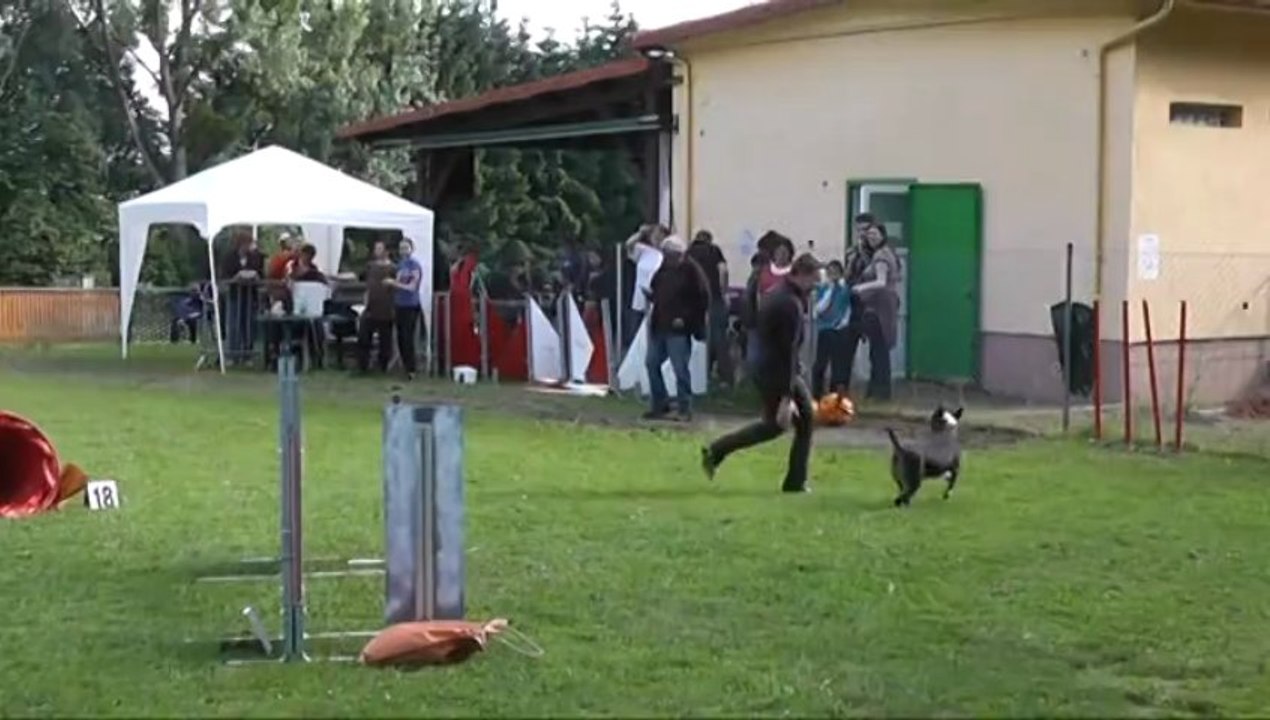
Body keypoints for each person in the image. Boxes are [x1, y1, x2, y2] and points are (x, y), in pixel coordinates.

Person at [701, 253, 821, 494]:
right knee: (797, 421)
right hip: (777, 370)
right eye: (814, 280)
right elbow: (786, 349)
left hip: (767, 367)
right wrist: (787, 396)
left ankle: (718, 451)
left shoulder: (781, 294)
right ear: (802, 275)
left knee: (779, 425)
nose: (815, 286)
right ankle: (794, 482)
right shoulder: (790, 304)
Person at [644, 235, 710, 422]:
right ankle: (660, 404)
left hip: (679, 328)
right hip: (660, 325)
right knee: (651, 363)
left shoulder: (692, 271)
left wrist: (687, 319)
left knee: (680, 368)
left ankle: (685, 407)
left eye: (669, 254)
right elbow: (656, 288)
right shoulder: (664, 270)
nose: (665, 258)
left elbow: (702, 299)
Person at [843, 223, 901, 401]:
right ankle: (878, 390)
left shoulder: (882, 255)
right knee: (878, 350)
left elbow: (881, 282)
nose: (871, 237)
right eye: (869, 235)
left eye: (875, 234)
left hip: (880, 308)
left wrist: (860, 287)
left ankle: (881, 391)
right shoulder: (883, 253)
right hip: (880, 306)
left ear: (883, 235)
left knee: (879, 350)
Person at [686, 229, 733, 387]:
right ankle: (725, 378)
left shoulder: (688, 252)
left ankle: (699, 376)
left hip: (692, 301)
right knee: (719, 337)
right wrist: (724, 292)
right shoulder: (714, 251)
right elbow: (723, 270)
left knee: (696, 338)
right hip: (714, 299)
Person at [384, 237, 424, 380]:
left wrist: (394, 284)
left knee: (408, 337)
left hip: (411, 305)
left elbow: (412, 287)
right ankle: (405, 367)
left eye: (406, 248)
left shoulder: (414, 265)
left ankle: (411, 369)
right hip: (399, 304)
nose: (403, 251)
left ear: (411, 249)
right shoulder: (400, 265)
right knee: (400, 337)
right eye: (401, 248)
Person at [811, 259, 852, 398]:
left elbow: (847, 309)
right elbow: (818, 309)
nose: (832, 275)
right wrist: (830, 289)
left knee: (837, 365)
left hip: (838, 330)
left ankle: (833, 396)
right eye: (830, 272)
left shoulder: (844, 289)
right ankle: (817, 394)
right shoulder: (823, 289)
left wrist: (842, 324)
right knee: (820, 364)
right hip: (824, 329)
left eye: (835, 272)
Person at [356, 240, 396, 374]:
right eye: (375, 248)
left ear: (386, 251)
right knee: (364, 336)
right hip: (370, 307)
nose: (377, 251)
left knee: (385, 339)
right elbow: (361, 279)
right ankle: (363, 366)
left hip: (386, 308)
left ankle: (383, 366)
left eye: (379, 248)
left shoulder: (393, 268)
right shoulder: (370, 266)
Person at [623, 223, 666, 345]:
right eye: (655, 235)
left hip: (657, 304)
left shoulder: (666, 255)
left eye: (660, 236)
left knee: (652, 340)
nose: (657, 238)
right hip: (639, 302)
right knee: (635, 339)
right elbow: (629, 245)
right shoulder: (644, 251)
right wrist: (641, 233)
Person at [739, 250, 769, 375]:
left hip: (753, 321)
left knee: (754, 353)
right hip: (756, 321)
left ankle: (752, 381)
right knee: (756, 354)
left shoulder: (753, 279)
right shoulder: (758, 280)